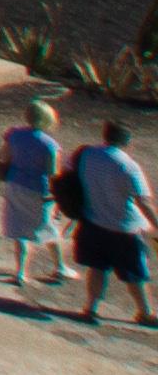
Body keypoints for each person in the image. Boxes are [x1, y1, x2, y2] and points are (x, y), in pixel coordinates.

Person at [67, 120, 156, 329]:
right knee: (135, 274)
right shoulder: (129, 166)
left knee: (97, 268)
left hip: (93, 222)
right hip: (125, 229)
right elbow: (143, 201)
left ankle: (90, 308)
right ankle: (144, 313)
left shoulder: (88, 154)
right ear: (128, 141)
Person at [0, 105, 65, 291]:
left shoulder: (14, 135)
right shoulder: (50, 144)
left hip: (15, 184)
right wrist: (59, 199)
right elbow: (53, 174)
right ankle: (59, 266)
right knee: (49, 227)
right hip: (40, 190)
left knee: (19, 227)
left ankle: (21, 272)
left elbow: (3, 157)